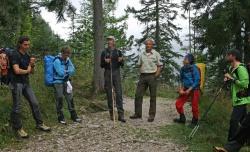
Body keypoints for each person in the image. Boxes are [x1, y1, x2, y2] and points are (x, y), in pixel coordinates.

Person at [9, 36, 51, 138]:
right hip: (16, 83)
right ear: (20, 44)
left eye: (28, 44)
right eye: (25, 44)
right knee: (17, 106)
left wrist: (32, 65)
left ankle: (39, 124)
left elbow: (32, 72)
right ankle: (18, 129)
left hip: (26, 83)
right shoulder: (15, 54)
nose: (27, 46)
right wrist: (27, 70)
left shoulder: (27, 56)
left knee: (34, 103)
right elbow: (17, 70)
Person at [130, 38, 162, 122]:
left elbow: (159, 66)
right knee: (138, 95)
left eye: (150, 44)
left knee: (153, 96)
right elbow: (139, 65)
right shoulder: (142, 54)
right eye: (147, 44)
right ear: (145, 45)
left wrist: (156, 76)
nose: (148, 45)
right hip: (143, 76)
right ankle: (137, 114)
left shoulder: (156, 54)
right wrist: (141, 71)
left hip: (152, 76)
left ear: (152, 45)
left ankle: (151, 115)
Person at [223, 50, 250, 141]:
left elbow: (245, 83)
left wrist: (232, 79)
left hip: (241, 99)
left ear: (233, 56)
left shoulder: (241, 68)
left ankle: (230, 143)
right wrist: (228, 79)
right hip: (237, 98)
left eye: (228, 55)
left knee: (234, 121)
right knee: (244, 122)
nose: (227, 56)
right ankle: (247, 140)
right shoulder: (232, 68)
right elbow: (233, 80)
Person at [53, 47, 81, 125]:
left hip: (66, 81)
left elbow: (73, 69)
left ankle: (74, 116)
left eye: (68, 54)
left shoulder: (68, 60)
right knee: (59, 99)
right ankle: (60, 117)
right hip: (58, 82)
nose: (67, 56)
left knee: (70, 98)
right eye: (66, 54)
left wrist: (66, 71)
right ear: (62, 53)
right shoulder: (57, 61)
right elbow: (60, 73)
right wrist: (68, 71)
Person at [100, 36, 126, 123]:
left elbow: (122, 64)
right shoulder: (104, 52)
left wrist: (121, 60)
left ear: (114, 42)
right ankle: (112, 113)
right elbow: (101, 65)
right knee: (109, 93)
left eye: (110, 40)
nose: (109, 42)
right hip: (107, 72)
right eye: (108, 40)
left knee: (119, 93)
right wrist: (105, 61)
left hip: (116, 72)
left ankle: (121, 114)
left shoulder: (118, 52)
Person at [173, 53, 200, 125]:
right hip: (186, 88)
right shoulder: (182, 69)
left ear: (190, 60)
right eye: (184, 58)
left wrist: (189, 90)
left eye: (186, 58)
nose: (184, 60)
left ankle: (194, 122)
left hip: (195, 89)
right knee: (178, 104)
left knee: (194, 106)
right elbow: (181, 79)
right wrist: (181, 89)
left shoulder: (194, 68)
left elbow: (197, 80)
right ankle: (182, 119)